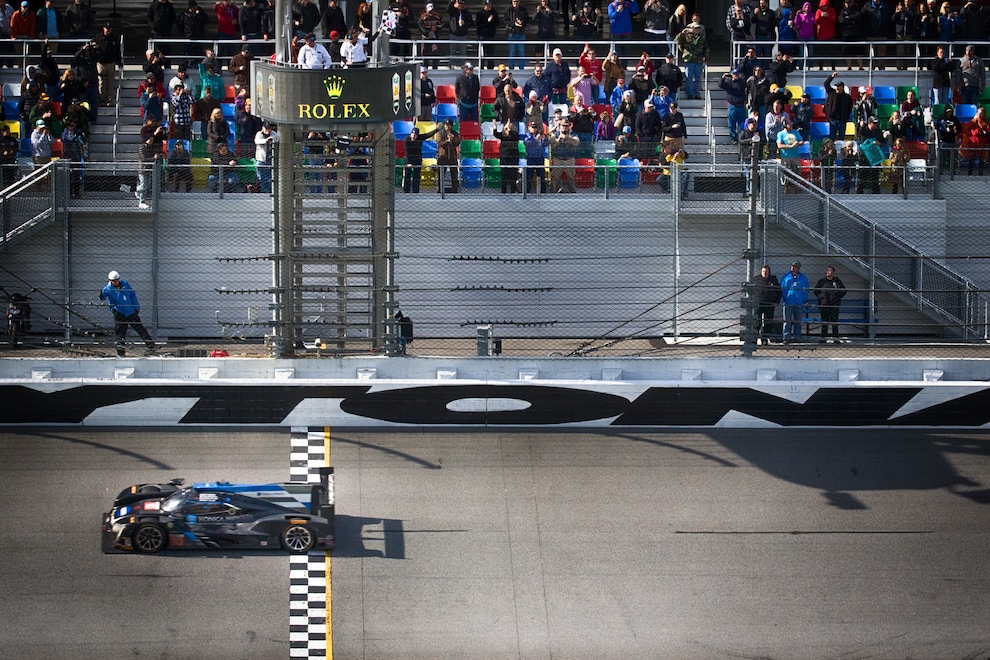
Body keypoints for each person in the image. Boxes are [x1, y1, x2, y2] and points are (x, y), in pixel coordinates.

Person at [100, 271, 156, 357]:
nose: (115, 282)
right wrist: (101, 295)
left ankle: (151, 346)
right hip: (119, 313)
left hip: (130, 311)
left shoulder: (125, 284)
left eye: (116, 280)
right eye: (113, 280)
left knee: (140, 329)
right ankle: (121, 352)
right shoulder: (107, 288)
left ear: (119, 279)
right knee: (120, 333)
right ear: (110, 280)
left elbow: (132, 295)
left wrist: (136, 307)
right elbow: (102, 297)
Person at [813, 265, 846, 341]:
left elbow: (843, 291)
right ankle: (823, 338)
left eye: (830, 271)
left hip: (834, 305)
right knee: (824, 322)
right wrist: (821, 297)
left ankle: (835, 338)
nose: (828, 272)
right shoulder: (822, 281)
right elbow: (815, 291)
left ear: (833, 272)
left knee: (834, 322)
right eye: (827, 271)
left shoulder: (837, 282)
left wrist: (837, 297)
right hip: (824, 305)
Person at [779, 260, 809, 343]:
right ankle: (786, 337)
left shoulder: (803, 278)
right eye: (792, 266)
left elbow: (806, 289)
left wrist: (803, 298)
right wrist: (785, 297)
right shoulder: (786, 277)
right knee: (787, 321)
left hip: (798, 302)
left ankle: (797, 337)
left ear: (798, 268)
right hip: (788, 301)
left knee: (798, 321)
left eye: (795, 267)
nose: (793, 268)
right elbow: (782, 288)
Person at [549, 118, 580, 192]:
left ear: (569, 126)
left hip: (569, 159)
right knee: (555, 177)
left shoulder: (573, 133)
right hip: (558, 158)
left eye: (566, 126)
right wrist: (558, 140)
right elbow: (552, 145)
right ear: (560, 126)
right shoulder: (555, 134)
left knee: (571, 177)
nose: (564, 127)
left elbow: (576, 142)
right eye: (563, 126)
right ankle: (553, 191)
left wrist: (568, 138)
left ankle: (572, 192)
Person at [959, 105, 990, 175]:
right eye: (979, 113)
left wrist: (986, 132)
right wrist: (978, 131)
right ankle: (970, 173)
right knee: (971, 158)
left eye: (982, 113)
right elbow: (968, 130)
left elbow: (988, 130)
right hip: (973, 142)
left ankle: (980, 173)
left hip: (982, 142)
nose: (980, 114)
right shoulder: (973, 121)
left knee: (981, 159)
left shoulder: (986, 122)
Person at [754, 264, 781, 343]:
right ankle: (754, 339)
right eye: (763, 271)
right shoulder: (756, 279)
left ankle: (764, 338)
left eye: (766, 271)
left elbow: (779, 291)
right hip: (758, 303)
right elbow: (750, 291)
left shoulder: (773, 280)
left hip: (770, 304)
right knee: (756, 321)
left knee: (768, 322)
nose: (765, 273)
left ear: (769, 272)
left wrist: (776, 302)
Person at [719, 69, 748, 144]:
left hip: (741, 106)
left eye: (737, 74)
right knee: (731, 124)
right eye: (734, 74)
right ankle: (733, 138)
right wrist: (723, 78)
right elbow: (720, 85)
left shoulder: (741, 82)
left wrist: (738, 80)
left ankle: (742, 138)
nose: (735, 75)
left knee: (742, 124)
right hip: (732, 106)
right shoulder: (728, 83)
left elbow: (744, 85)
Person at [823, 72, 852, 140]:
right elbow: (826, 84)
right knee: (832, 138)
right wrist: (832, 77)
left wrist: (846, 117)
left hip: (842, 120)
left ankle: (841, 150)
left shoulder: (847, 97)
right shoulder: (831, 93)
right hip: (832, 119)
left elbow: (849, 108)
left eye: (839, 86)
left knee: (841, 137)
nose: (837, 87)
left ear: (842, 87)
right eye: (836, 86)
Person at [522, 120, 548, 193]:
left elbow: (546, 144)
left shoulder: (540, 135)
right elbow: (528, 144)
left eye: (535, 127)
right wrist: (536, 139)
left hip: (540, 158)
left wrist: (543, 139)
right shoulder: (527, 136)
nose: (534, 129)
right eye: (532, 127)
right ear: (529, 128)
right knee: (529, 176)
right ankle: (527, 192)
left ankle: (543, 192)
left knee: (541, 176)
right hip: (531, 158)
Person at [436, 118, 460, 193]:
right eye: (446, 125)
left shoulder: (455, 133)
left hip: (452, 156)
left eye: (449, 125)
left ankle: (455, 190)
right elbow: (440, 143)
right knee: (441, 174)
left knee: (454, 174)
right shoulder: (440, 133)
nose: (447, 127)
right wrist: (447, 141)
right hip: (443, 156)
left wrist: (452, 140)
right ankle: (440, 190)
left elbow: (457, 143)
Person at [935, 104, 961, 174]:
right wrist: (944, 129)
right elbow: (936, 125)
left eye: (950, 112)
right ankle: (940, 171)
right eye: (947, 112)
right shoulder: (941, 118)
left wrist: (956, 130)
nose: (949, 113)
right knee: (942, 157)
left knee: (952, 158)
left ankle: (952, 171)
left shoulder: (954, 119)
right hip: (943, 141)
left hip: (952, 141)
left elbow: (959, 128)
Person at [254, 122, 278, 193]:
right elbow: (256, 141)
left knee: (270, 177)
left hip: (271, 159)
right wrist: (266, 140)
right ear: (263, 128)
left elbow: (277, 140)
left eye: (269, 129)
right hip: (261, 159)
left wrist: (272, 139)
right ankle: (264, 191)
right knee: (261, 177)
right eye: (266, 129)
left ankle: (271, 191)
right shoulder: (259, 134)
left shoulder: (273, 133)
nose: (268, 130)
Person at [504, 0, 528, 70]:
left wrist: (522, 22)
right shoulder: (508, 10)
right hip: (511, 33)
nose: (515, 3)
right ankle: (511, 68)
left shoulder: (523, 9)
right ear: (512, 1)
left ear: (519, 2)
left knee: (521, 52)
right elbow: (505, 20)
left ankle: (521, 67)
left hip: (521, 33)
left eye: (517, 1)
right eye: (514, 1)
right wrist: (514, 23)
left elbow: (527, 19)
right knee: (512, 52)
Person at [475, 0, 499, 70]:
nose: (489, 6)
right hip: (482, 36)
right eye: (487, 5)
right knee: (482, 53)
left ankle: (490, 67)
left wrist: (492, 20)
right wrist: (487, 21)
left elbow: (497, 23)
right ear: (484, 5)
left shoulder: (494, 13)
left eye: (489, 5)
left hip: (490, 36)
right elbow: (479, 24)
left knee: (491, 53)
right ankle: (481, 67)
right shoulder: (479, 13)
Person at [497, 122, 520, 192]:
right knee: (504, 175)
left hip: (513, 157)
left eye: (507, 128)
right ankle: (503, 191)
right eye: (505, 128)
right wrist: (495, 126)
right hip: (504, 157)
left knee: (513, 175)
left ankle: (513, 191)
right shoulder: (503, 136)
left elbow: (513, 136)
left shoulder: (515, 135)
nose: (506, 130)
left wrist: (509, 129)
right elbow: (496, 134)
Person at [0, 123, 17, 188]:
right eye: (6, 131)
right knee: (3, 177)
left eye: (8, 131)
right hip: (2, 161)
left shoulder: (12, 139)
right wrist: (2, 152)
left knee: (11, 177)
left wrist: (12, 151)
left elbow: (16, 147)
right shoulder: (1, 140)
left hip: (11, 160)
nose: (8, 133)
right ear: (2, 132)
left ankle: (11, 189)